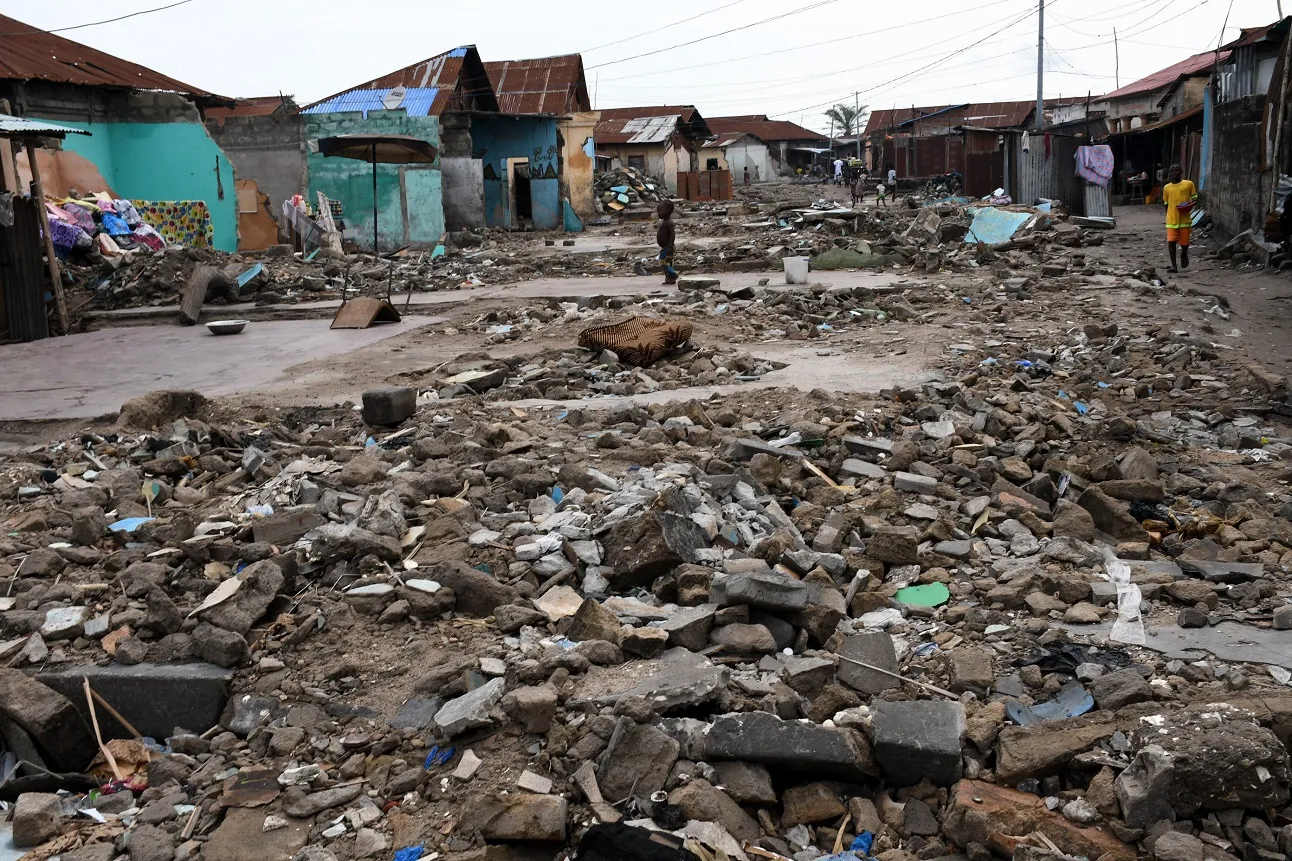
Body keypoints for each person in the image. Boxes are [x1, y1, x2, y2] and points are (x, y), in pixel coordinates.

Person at [1162, 164, 1198, 272]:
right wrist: (1168, 215)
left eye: (1177, 170)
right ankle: (1174, 266)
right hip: (1171, 219)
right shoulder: (1166, 188)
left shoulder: (1188, 184)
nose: (1175, 173)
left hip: (1184, 219)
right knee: (1171, 242)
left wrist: (1189, 206)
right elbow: (1166, 203)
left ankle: (1184, 253)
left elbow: (1195, 198)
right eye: (1172, 171)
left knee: (1185, 243)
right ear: (1170, 173)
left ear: (1181, 172)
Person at [656, 200, 678, 286]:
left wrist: (670, 245)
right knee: (664, 263)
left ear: (668, 211)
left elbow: (672, 235)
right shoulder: (664, 222)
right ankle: (669, 278)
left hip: (667, 247)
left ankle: (672, 275)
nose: (658, 213)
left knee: (665, 263)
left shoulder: (669, 222)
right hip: (664, 247)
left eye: (659, 211)